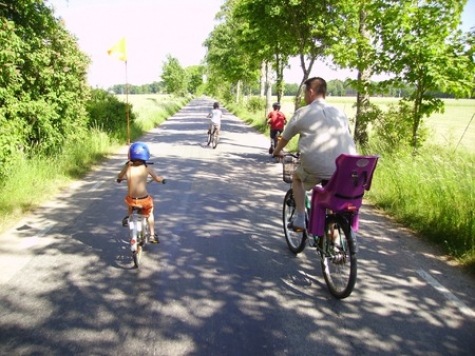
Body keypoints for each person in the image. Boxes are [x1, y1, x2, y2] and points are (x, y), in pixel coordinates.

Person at [272, 77, 357, 231]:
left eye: (305, 92)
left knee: (297, 178)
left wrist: (276, 152)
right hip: (346, 167)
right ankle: (335, 240)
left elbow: (285, 138)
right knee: (332, 195)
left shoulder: (303, 112)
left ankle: (299, 218)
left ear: (311, 92)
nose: (304, 96)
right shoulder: (339, 112)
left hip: (317, 167)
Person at [117, 141, 166, 243]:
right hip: (144, 200)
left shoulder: (128, 166)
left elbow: (120, 176)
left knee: (129, 201)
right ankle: (152, 235)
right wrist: (162, 179)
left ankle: (130, 217)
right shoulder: (146, 167)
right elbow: (156, 178)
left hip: (132, 200)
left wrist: (120, 179)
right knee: (150, 212)